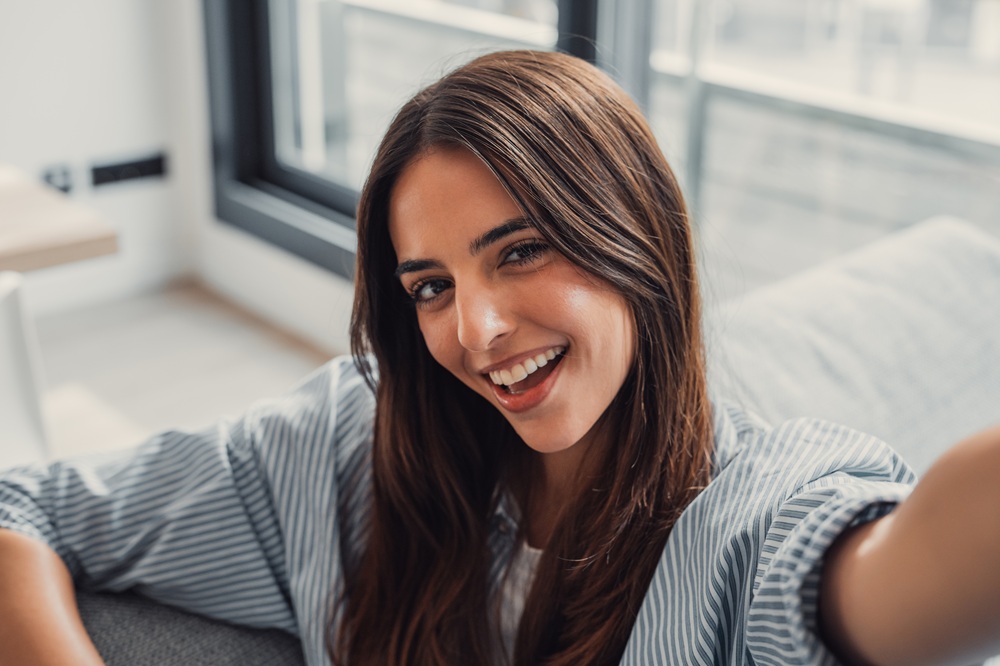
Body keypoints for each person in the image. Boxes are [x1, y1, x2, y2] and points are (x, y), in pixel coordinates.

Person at [0, 49, 998, 666]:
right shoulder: (343, 444)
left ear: (637, 236)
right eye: (430, 286)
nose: (473, 333)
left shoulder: (755, 520)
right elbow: (23, 509)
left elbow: (912, 568)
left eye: (520, 251)